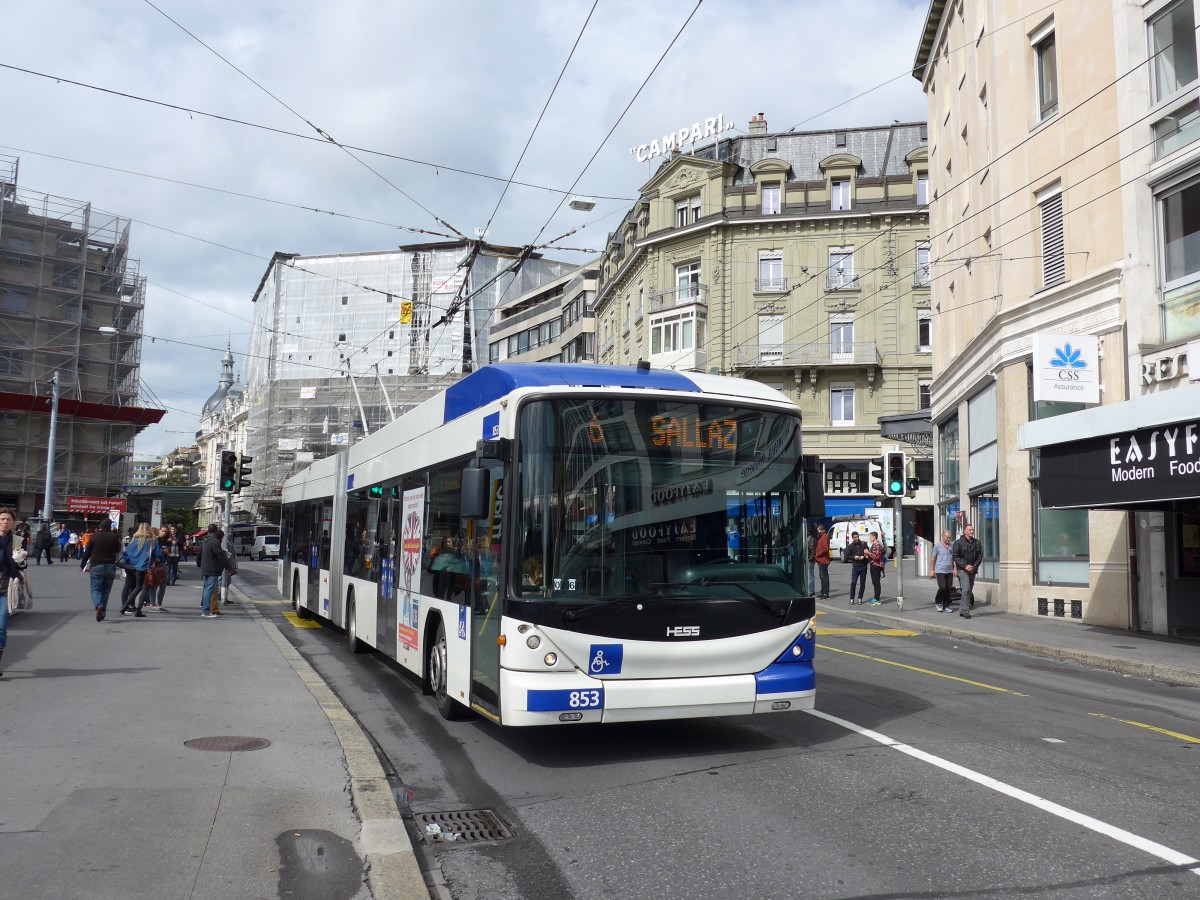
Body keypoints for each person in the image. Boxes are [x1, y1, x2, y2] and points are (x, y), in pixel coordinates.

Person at [118, 523, 165, 617]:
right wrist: (163, 560)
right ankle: (138, 610)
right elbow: (159, 553)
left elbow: (127, 553)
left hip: (135, 566)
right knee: (145, 588)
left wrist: (134, 564)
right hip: (146, 566)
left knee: (137, 587)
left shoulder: (134, 540)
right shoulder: (152, 540)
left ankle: (124, 606)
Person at [80, 519, 122, 621]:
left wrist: (83, 563)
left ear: (100, 526)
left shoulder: (95, 536)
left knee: (96, 589)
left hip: (96, 565)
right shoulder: (114, 536)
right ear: (110, 526)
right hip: (110, 565)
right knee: (106, 591)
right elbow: (118, 549)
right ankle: (103, 612)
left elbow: (88, 552)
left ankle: (99, 605)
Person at [0, 507, 25, 676]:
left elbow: (23, 566)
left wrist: (20, 559)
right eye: (2, 519)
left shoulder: (17, 541)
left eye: (8, 519)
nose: (5, 522)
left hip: (6, 588)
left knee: (1, 627)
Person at [199, 524, 236, 618]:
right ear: (215, 531)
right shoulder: (214, 541)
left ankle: (204, 608)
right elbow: (221, 556)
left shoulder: (205, 541)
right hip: (212, 568)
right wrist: (229, 568)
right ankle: (206, 611)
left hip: (206, 568)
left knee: (207, 589)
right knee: (209, 590)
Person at [951, 522, 984, 619]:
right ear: (965, 531)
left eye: (972, 530)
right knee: (966, 589)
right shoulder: (958, 543)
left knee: (969, 591)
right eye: (970, 530)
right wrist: (965, 566)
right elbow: (956, 557)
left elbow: (980, 556)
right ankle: (965, 611)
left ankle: (961, 609)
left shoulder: (977, 543)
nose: (972, 531)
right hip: (963, 569)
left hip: (972, 570)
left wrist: (973, 567)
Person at [930, 530, 957, 612]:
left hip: (949, 570)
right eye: (947, 538)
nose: (948, 540)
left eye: (949, 538)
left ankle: (946, 606)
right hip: (940, 570)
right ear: (943, 537)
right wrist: (932, 570)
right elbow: (933, 558)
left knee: (949, 588)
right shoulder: (937, 546)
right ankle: (938, 602)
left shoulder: (951, 546)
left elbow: (954, 558)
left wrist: (955, 568)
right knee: (942, 587)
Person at [846, 531, 868, 604]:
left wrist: (864, 556)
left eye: (858, 537)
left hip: (863, 566)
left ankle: (860, 598)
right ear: (853, 538)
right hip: (855, 566)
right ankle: (852, 598)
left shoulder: (863, 544)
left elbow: (867, 553)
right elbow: (847, 556)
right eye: (855, 537)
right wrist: (854, 557)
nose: (857, 538)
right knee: (853, 582)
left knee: (862, 583)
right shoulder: (851, 546)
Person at [866, 531, 886, 605]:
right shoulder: (873, 544)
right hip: (873, 564)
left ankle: (877, 599)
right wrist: (867, 555)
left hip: (876, 566)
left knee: (876, 582)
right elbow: (873, 555)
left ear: (874, 537)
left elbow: (877, 557)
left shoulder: (878, 545)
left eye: (870, 536)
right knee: (874, 582)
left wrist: (868, 553)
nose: (869, 538)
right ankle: (875, 598)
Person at [813, 524, 831, 599]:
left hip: (823, 559)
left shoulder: (824, 536)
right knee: (822, 576)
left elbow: (825, 548)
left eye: (817, 529)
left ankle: (826, 593)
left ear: (819, 529)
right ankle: (823, 591)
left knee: (824, 576)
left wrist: (817, 554)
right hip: (821, 559)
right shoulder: (821, 536)